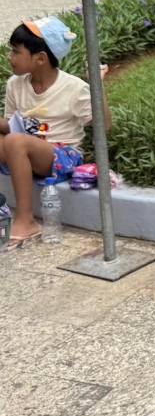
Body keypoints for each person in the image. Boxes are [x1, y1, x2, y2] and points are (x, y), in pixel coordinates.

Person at [1, 17, 110, 248]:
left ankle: (26, 220)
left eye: (15, 52)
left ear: (40, 58)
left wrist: (96, 86)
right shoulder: (15, 84)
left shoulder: (73, 88)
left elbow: (103, 126)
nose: (9, 57)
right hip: (21, 146)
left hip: (63, 156)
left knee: (15, 142)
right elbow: (11, 127)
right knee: (14, 141)